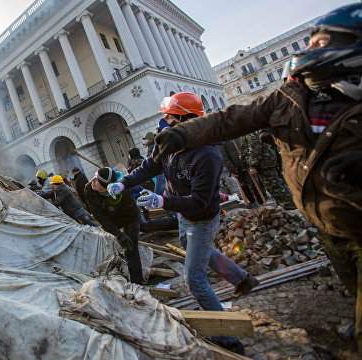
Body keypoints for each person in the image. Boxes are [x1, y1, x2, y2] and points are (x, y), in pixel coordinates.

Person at [151, 4, 362, 350]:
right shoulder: (289, 98)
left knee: (195, 272)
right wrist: (185, 134)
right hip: (326, 221)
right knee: (350, 279)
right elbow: (229, 119)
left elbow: (202, 196)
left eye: (322, 44)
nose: (310, 52)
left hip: (357, 219)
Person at [108, 92, 259, 354]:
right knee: (196, 250)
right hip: (183, 215)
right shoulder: (168, 143)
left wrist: (163, 203)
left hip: (202, 218)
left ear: (186, 120)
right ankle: (242, 279)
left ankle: (227, 338)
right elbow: (149, 167)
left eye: (168, 117)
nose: (163, 123)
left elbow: (200, 202)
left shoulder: (208, 155)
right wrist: (123, 182)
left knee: (195, 279)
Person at [84, 167, 143, 284]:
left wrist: (125, 234)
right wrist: (118, 234)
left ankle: (138, 283)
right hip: (110, 217)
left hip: (129, 217)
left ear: (107, 187)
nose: (93, 181)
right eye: (94, 176)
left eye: (97, 180)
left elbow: (131, 216)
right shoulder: (89, 189)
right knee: (116, 245)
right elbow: (100, 217)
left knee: (131, 250)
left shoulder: (123, 193)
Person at [241, 131, 296, 210]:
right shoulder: (247, 133)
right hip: (263, 163)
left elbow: (255, 149)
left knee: (275, 186)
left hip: (264, 163)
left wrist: (253, 165)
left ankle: (290, 205)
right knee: (273, 185)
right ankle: (286, 203)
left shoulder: (250, 133)